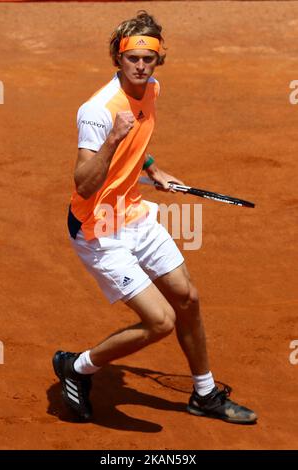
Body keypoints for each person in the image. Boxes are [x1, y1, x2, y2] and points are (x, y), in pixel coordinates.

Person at [53, 11, 257, 425]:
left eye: (150, 58)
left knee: (188, 300)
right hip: (99, 228)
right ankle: (77, 367)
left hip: (135, 214)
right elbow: (84, 184)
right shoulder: (96, 111)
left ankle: (204, 395)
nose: (142, 66)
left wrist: (152, 168)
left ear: (158, 59)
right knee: (160, 320)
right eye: (133, 58)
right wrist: (113, 138)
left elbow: (139, 137)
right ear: (118, 57)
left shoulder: (152, 89)